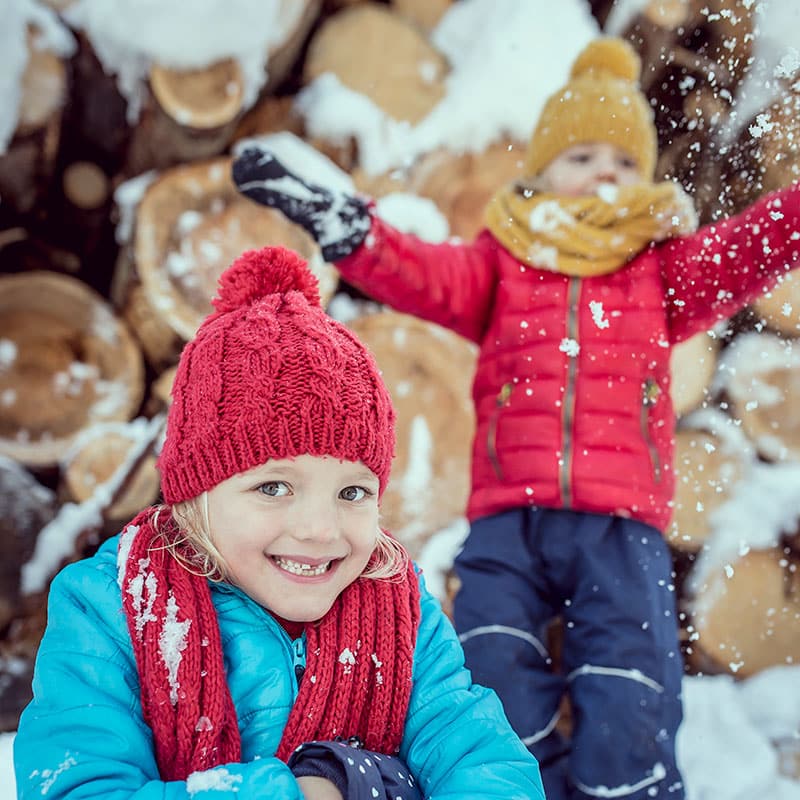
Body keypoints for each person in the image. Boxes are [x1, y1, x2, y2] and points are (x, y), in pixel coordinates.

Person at [231, 36, 800, 800]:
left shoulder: (662, 270)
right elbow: (414, 268)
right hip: (508, 519)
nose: (605, 171)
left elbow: (747, 248)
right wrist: (346, 226)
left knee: (632, 687)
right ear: (539, 175)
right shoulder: (501, 265)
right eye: (582, 156)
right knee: (488, 672)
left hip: (619, 524)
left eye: (625, 162)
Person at [13, 246, 545, 800]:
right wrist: (306, 793)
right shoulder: (109, 610)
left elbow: (485, 761)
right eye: (273, 487)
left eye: (353, 492)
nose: (320, 529)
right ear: (196, 491)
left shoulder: (402, 616)